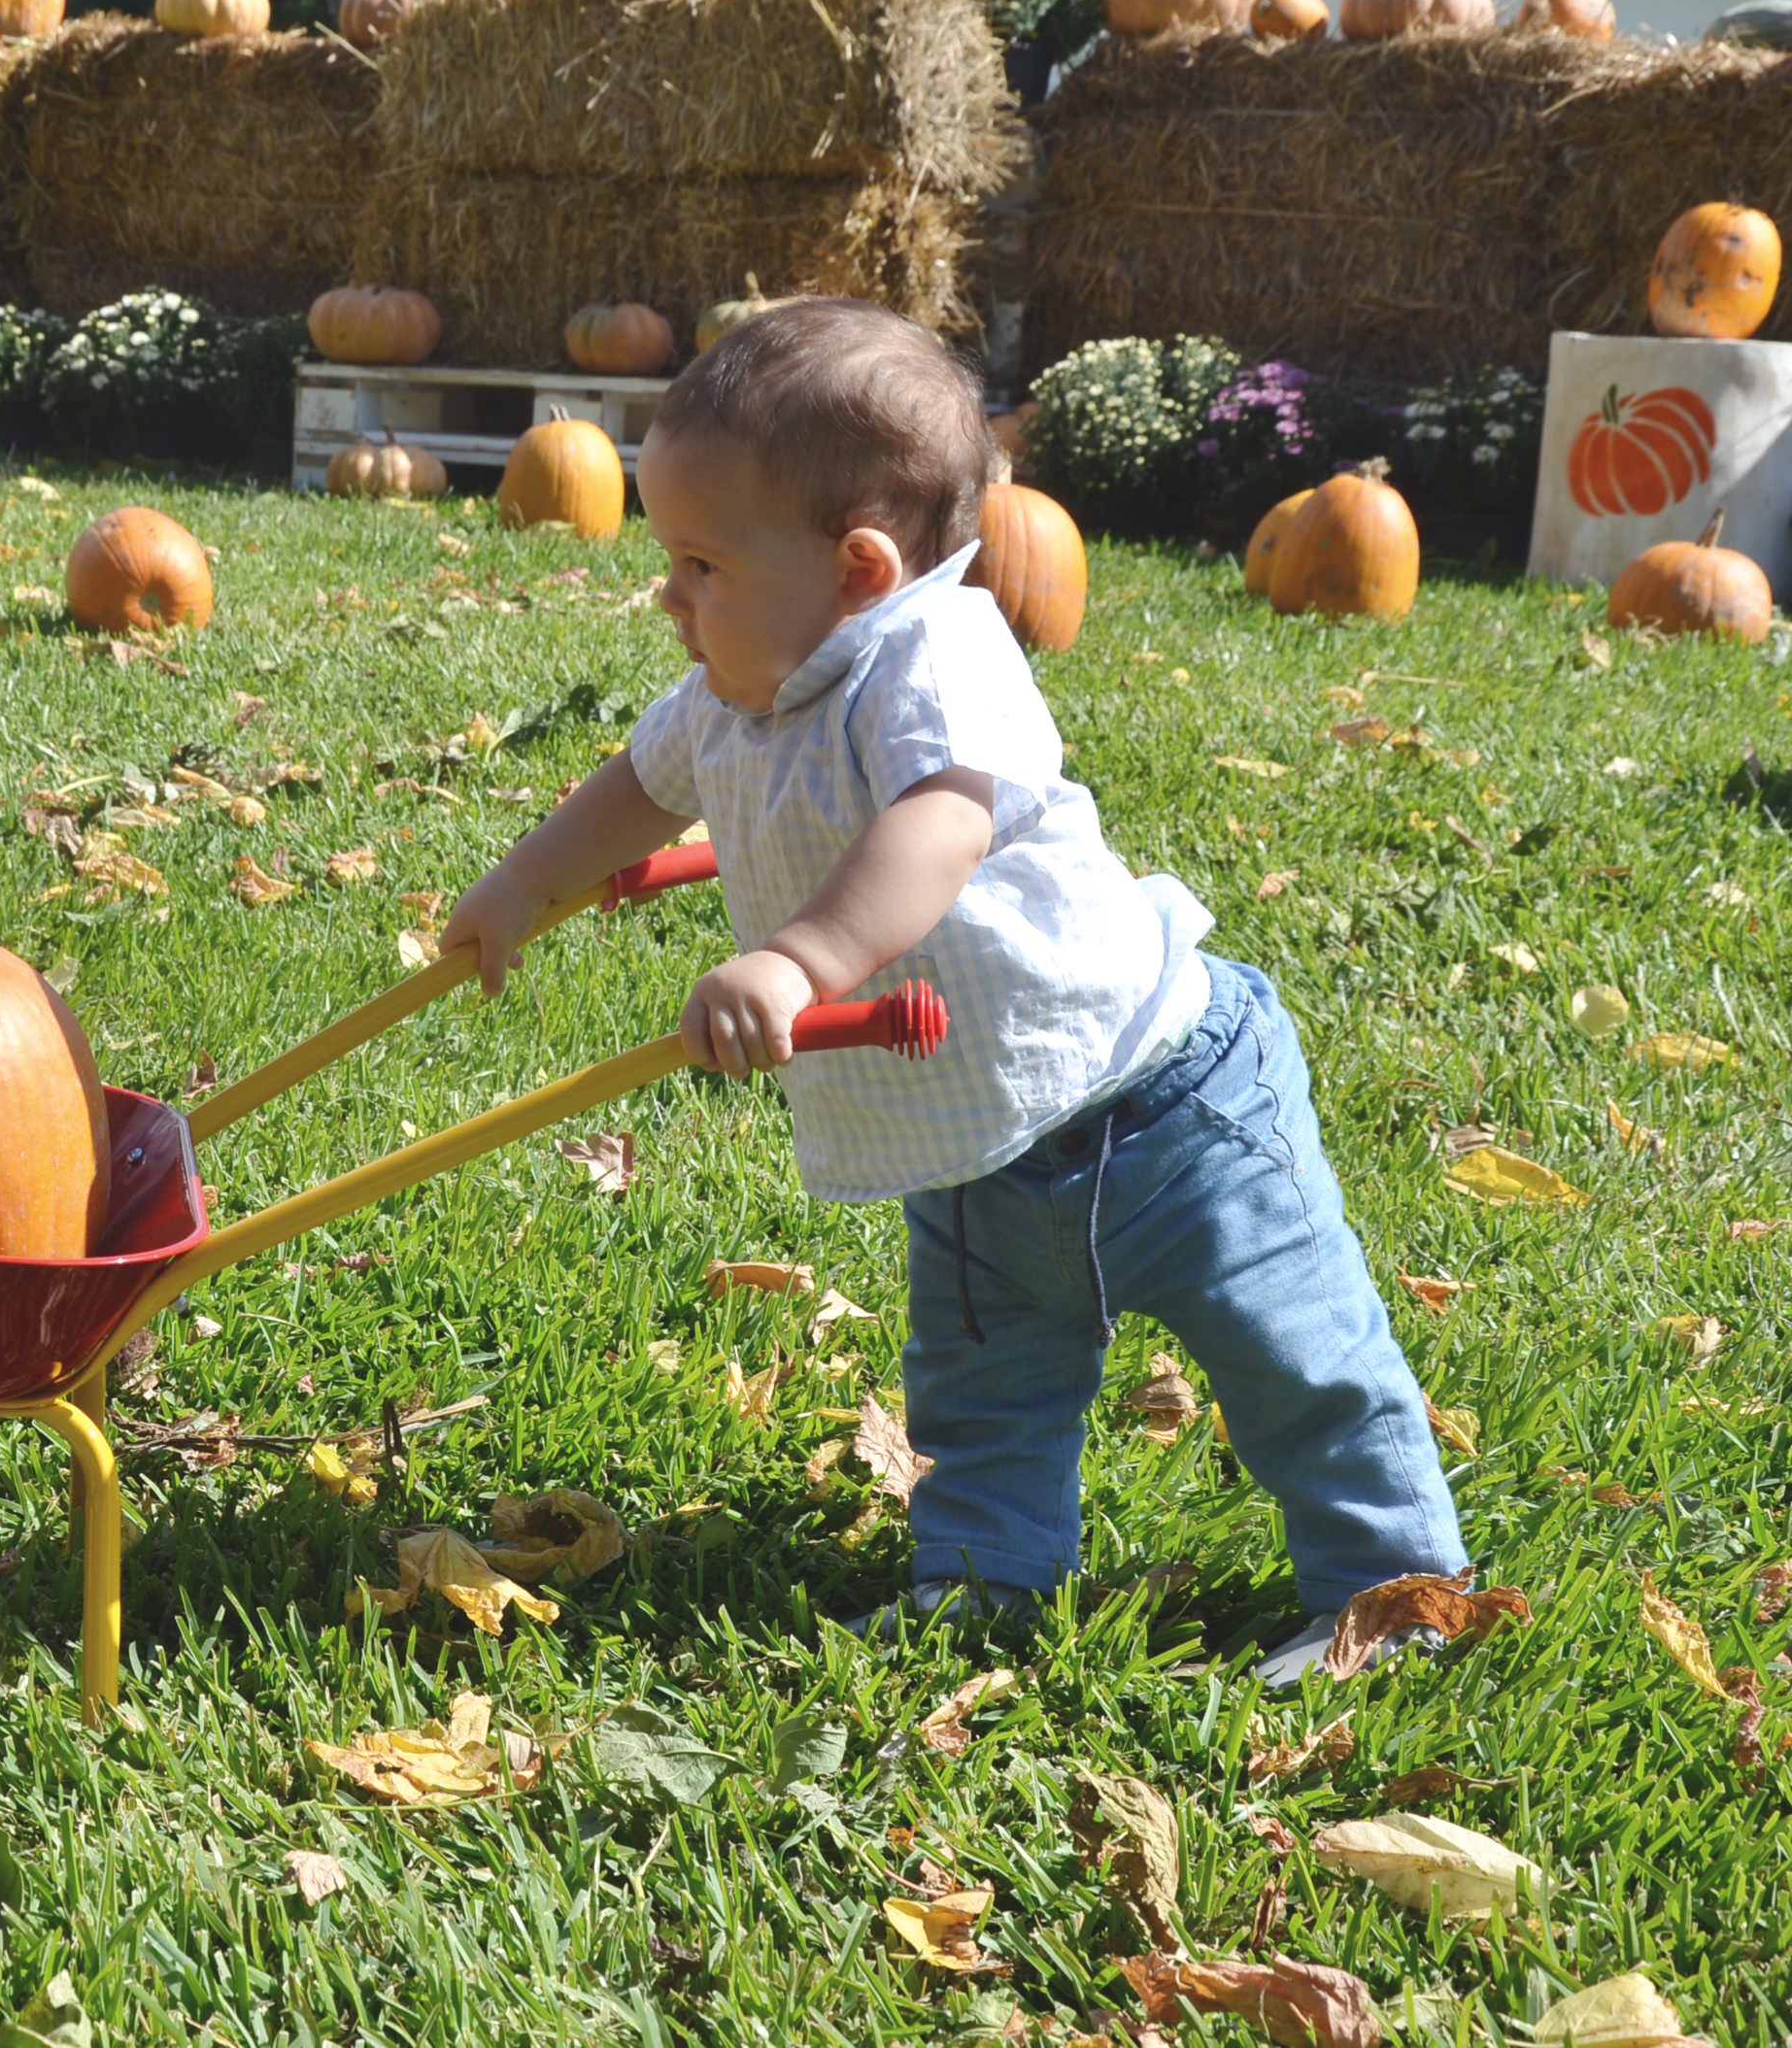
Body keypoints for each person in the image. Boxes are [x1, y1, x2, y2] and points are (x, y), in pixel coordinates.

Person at [443, 297, 1467, 1685]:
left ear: (860, 570)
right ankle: (988, 1577)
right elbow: (632, 791)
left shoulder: (936, 659)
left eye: (696, 562)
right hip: (977, 1137)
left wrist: (798, 959)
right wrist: (518, 891)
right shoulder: (734, 692)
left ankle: (1392, 1593)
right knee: (984, 1394)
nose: (667, 597)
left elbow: (938, 826)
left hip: (1168, 1107)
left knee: (1300, 1364)